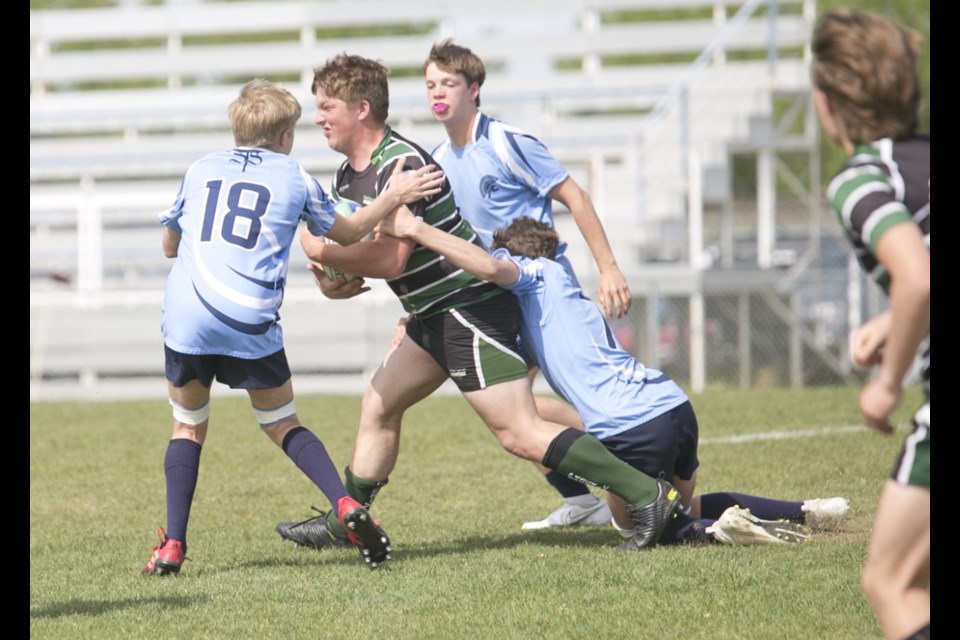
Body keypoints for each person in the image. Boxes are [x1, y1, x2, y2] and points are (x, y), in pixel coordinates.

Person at [278, 53, 683, 554]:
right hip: (431, 312)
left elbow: (392, 260)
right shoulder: (347, 177)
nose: (318, 117)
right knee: (379, 405)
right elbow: (368, 256)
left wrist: (324, 252)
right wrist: (331, 277)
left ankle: (647, 493)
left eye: (327, 107)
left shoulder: (403, 165)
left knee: (518, 433)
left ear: (361, 109)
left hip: (468, 306)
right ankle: (350, 517)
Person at [377, 210, 849, 547]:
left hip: (629, 426)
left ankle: (726, 532)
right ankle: (806, 510)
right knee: (685, 502)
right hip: (672, 405)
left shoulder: (532, 274)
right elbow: (527, 369)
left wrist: (417, 229)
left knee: (639, 526)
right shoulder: (567, 292)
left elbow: (487, 266)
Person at [141, 78, 444, 574]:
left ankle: (172, 545)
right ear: (285, 135)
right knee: (283, 424)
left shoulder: (200, 169)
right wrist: (393, 197)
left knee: (188, 425)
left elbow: (170, 247)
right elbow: (346, 232)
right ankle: (346, 506)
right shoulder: (293, 175)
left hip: (187, 317)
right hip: (249, 319)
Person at [423, 38, 633, 530]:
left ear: (474, 90)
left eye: (448, 84)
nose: (437, 93)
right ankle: (585, 498)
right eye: (431, 84)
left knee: (555, 400)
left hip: (540, 290)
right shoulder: (436, 159)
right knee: (514, 413)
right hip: (492, 295)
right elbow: (451, 245)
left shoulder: (506, 142)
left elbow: (574, 196)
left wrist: (608, 268)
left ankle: (635, 465)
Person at [811, 10, 930, 640]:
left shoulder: (863, 179)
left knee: (891, 583)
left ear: (827, 103)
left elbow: (918, 277)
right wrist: (892, 319)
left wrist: (887, 383)